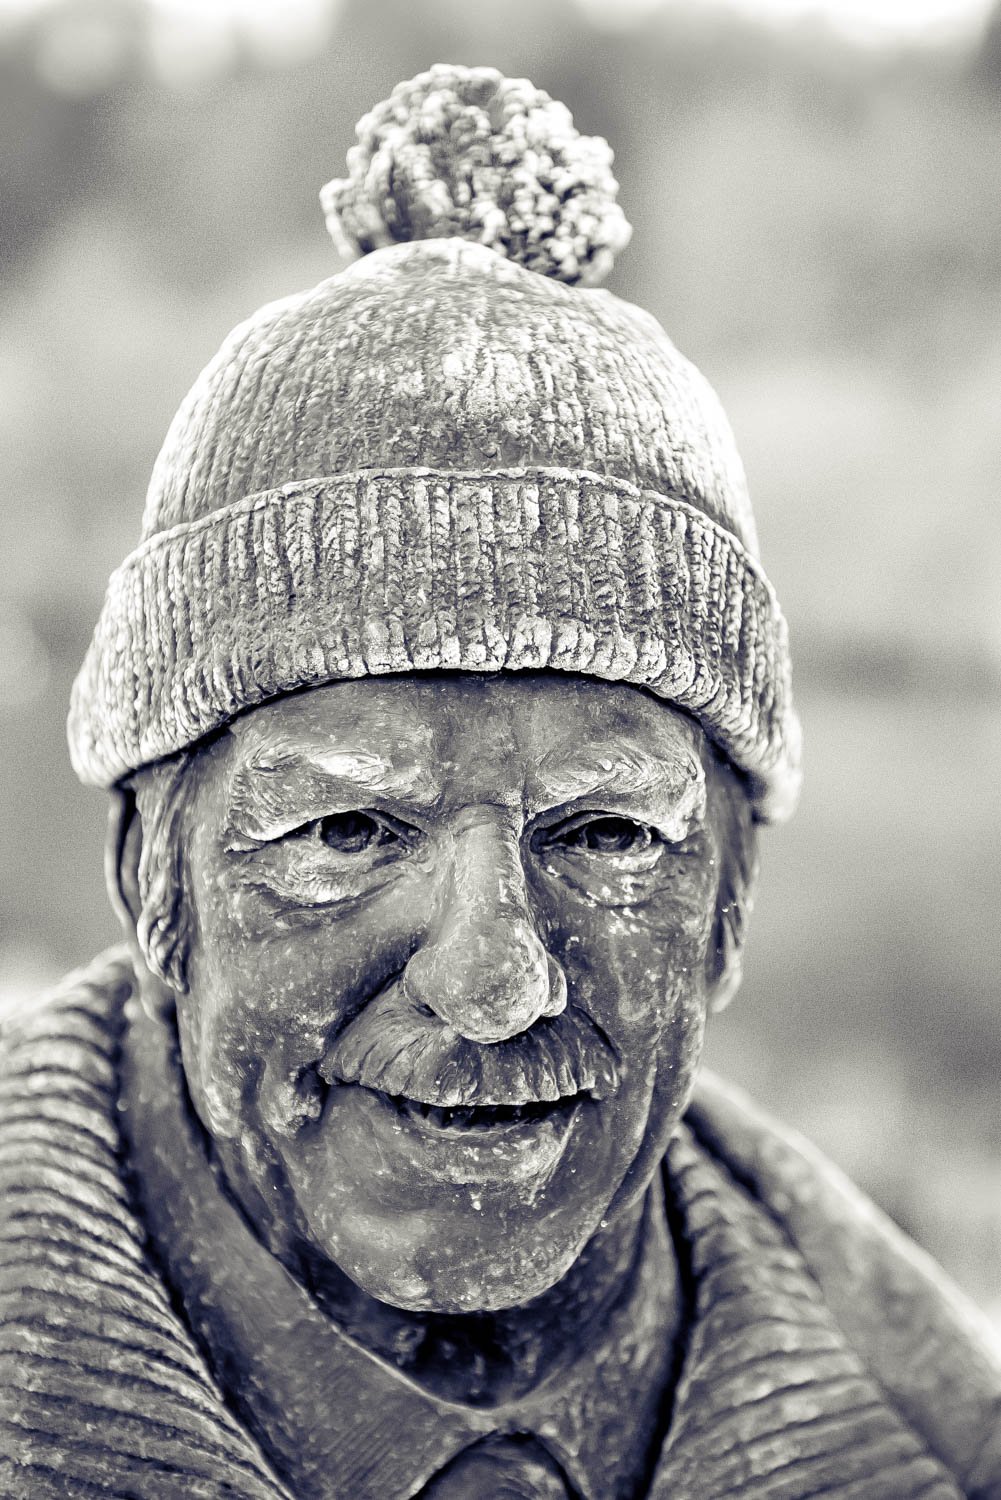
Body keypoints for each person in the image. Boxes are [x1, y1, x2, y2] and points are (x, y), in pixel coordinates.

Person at [1, 64, 998, 1500]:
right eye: (346, 829)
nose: (495, 982)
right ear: (149, 880)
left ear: (730, 903)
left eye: (604, 835)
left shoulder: (935, 1435)